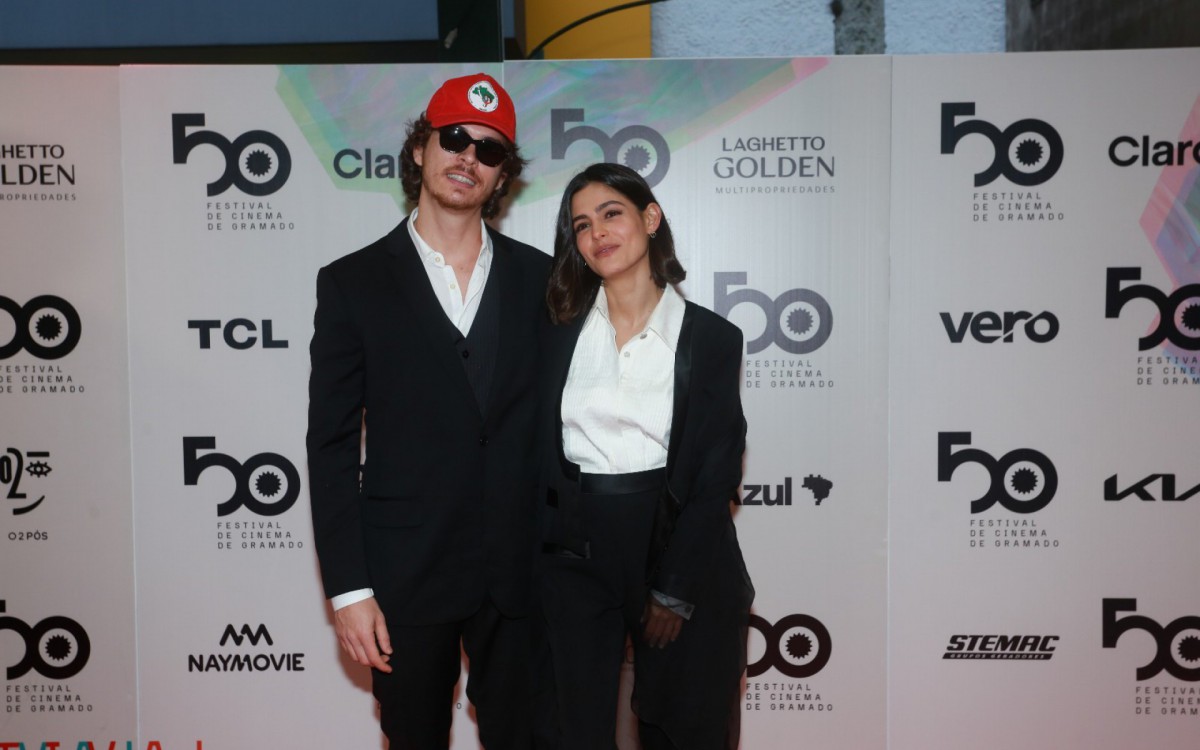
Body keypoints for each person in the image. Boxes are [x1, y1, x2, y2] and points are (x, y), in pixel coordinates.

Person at [306, 72, 549, 750]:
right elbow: (328, 446)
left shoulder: (542, 279)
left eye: (490, 150)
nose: (469, 158)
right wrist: (350, 591)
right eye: (455, 139)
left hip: (521, 578)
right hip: (403, 576)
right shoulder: (352, 283)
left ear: (503, 177)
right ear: (420, 150)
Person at [537, 162, 755, 749]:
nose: (598, 233)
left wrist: (674, 587)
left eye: (612, 213)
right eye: (582, 225)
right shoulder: (556, 331)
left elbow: (714, 472)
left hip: (672, 540)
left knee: (682, 725)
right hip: (573, 549)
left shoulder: (711, 338)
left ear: (650, 218)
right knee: (572, 729)